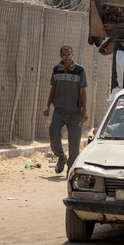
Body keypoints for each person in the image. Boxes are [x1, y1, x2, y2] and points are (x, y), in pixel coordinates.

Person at [43, 46, 88, 174]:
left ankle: (70, 169)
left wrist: (85, 111)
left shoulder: (79, 70)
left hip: (75, 113)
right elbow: (54, 89)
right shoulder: (56, 70)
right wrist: (48, 105)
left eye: (69, 55)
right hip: (59, 111)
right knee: (53, 133)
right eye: (64, 55)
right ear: (60, 56)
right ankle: (61, 157)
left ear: (72, 54)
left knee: (74, 144)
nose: (67, 58)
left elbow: (83, 91)